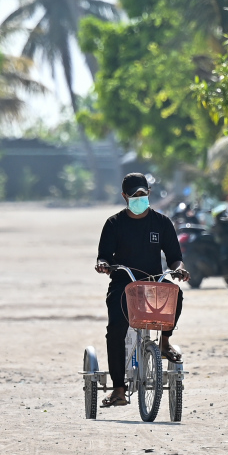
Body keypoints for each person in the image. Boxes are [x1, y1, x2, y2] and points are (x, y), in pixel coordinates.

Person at [95, 173, 189, 408]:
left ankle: (164, 343)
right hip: (123, 284)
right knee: (116, 329)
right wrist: (103, 264)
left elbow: (175, 258)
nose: (139, 198)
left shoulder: (162, 223)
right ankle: (119, 389)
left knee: (176, 295)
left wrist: (180, 269)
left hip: (153, 282)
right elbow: (104, 255)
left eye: (143, 194)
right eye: (134, 195)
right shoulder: (114, 224)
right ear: (124, 196)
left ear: (149, 193)